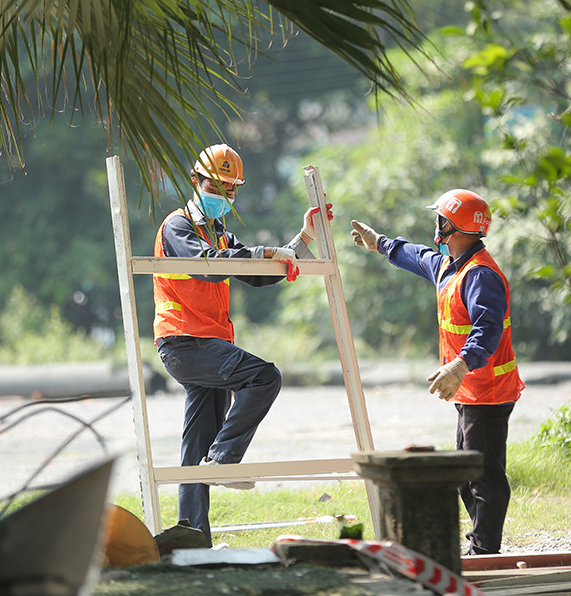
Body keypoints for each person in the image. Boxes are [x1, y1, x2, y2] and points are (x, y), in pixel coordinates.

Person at [153, 143, 332, 545]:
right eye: (218, 188)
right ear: (196, 182)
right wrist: (263, 250)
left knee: (195, 446)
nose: (225, 197)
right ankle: (224, 459)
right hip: (183, 342)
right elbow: (213, 268)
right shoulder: (177, 227)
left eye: (231, 190)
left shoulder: (219, 234)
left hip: (206, 344)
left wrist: (302, 238)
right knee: (263, 377)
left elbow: (259, 272)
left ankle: (191, 535)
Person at [350, 189, 524, 556]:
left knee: (484, 476)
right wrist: (379, 243)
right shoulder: (451, 266)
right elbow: (417, 256)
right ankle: (482, 544)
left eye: (441, 219)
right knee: (466, 474)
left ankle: (484, 550)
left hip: (488, 390)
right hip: (470, 390)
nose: (436, 226)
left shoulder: (481, 276)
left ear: (454, 226)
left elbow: (487, 328)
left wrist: (460, 366)